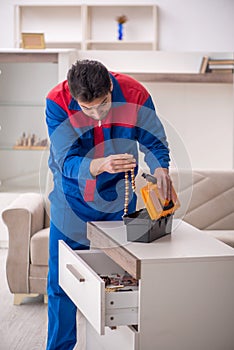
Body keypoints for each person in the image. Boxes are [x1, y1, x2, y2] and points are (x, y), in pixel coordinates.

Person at [45, 59, 171, 349]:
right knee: (62, 282)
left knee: (125, 281)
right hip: (71, 201)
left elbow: (154, 142)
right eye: (86, 108)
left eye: (102, 105)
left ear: (111, 87)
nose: (95, 113)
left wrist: (160, 167)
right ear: (74, 97)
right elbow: (65, 160)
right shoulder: (56, 101)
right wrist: (101, 164)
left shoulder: (136, 94)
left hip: (120, 199)